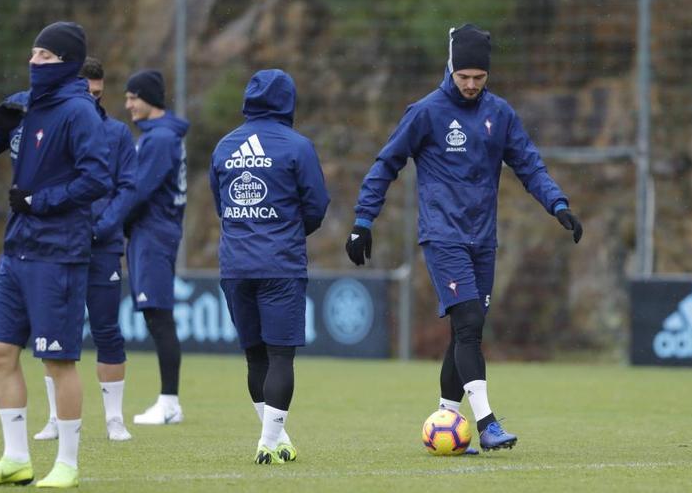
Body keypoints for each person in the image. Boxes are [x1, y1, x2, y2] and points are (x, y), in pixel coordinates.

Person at [346, 24, 583, 452]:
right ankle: (488, 423)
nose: (471, 85)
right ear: (450, 68)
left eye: (479, 77)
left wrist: (558, 205)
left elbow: (529, 165)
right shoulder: (425, 112)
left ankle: (447, 421)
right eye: (464, 77)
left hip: (483, 239)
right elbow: (386, 164)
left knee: (463, 332)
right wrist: (363, 220)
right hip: (443, 236)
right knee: (470, 324)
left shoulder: (501, 114)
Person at [0, 21, 112, 487]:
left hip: (58, 251)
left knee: (58, 360)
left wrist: (39, 201)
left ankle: (66, 462)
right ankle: (16, 457)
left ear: (65, 63)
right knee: (2, 353)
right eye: (33, 54)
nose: (34, 62)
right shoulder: (25, 106)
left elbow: (97, 179)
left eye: (45, 56)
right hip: (17, 250)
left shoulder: (80, 112)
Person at [210, 69, 329, 464]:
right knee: (280, 358)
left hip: (235, 265)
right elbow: (317, 205)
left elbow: (221, 205)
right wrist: (290, 228)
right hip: (280, 263)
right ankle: (268, 441)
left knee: (254, 357)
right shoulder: (297, 146)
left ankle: (277, 439)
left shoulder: (224, 146)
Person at [33, 56, 137, 443]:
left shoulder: (118, 135)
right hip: (58, 246)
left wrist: (100, 228)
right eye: (85, 92)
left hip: (102, 245)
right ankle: (55, 419)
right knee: (54, 331)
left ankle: (114, 419)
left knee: (107, 329)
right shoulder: (52, 130)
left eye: (97, 93)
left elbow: (128, 187)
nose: (91, 100)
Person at [123, 68, 189, 425]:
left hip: (154, 233)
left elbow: (139, 191)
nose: (128, 104)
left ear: (148, 98)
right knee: (157, 317)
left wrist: (107, 224)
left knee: (159, 317)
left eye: (133, 97)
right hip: (154, 232)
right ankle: (169, 401)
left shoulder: (160, 138)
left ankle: (169, 402)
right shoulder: (160, 135)